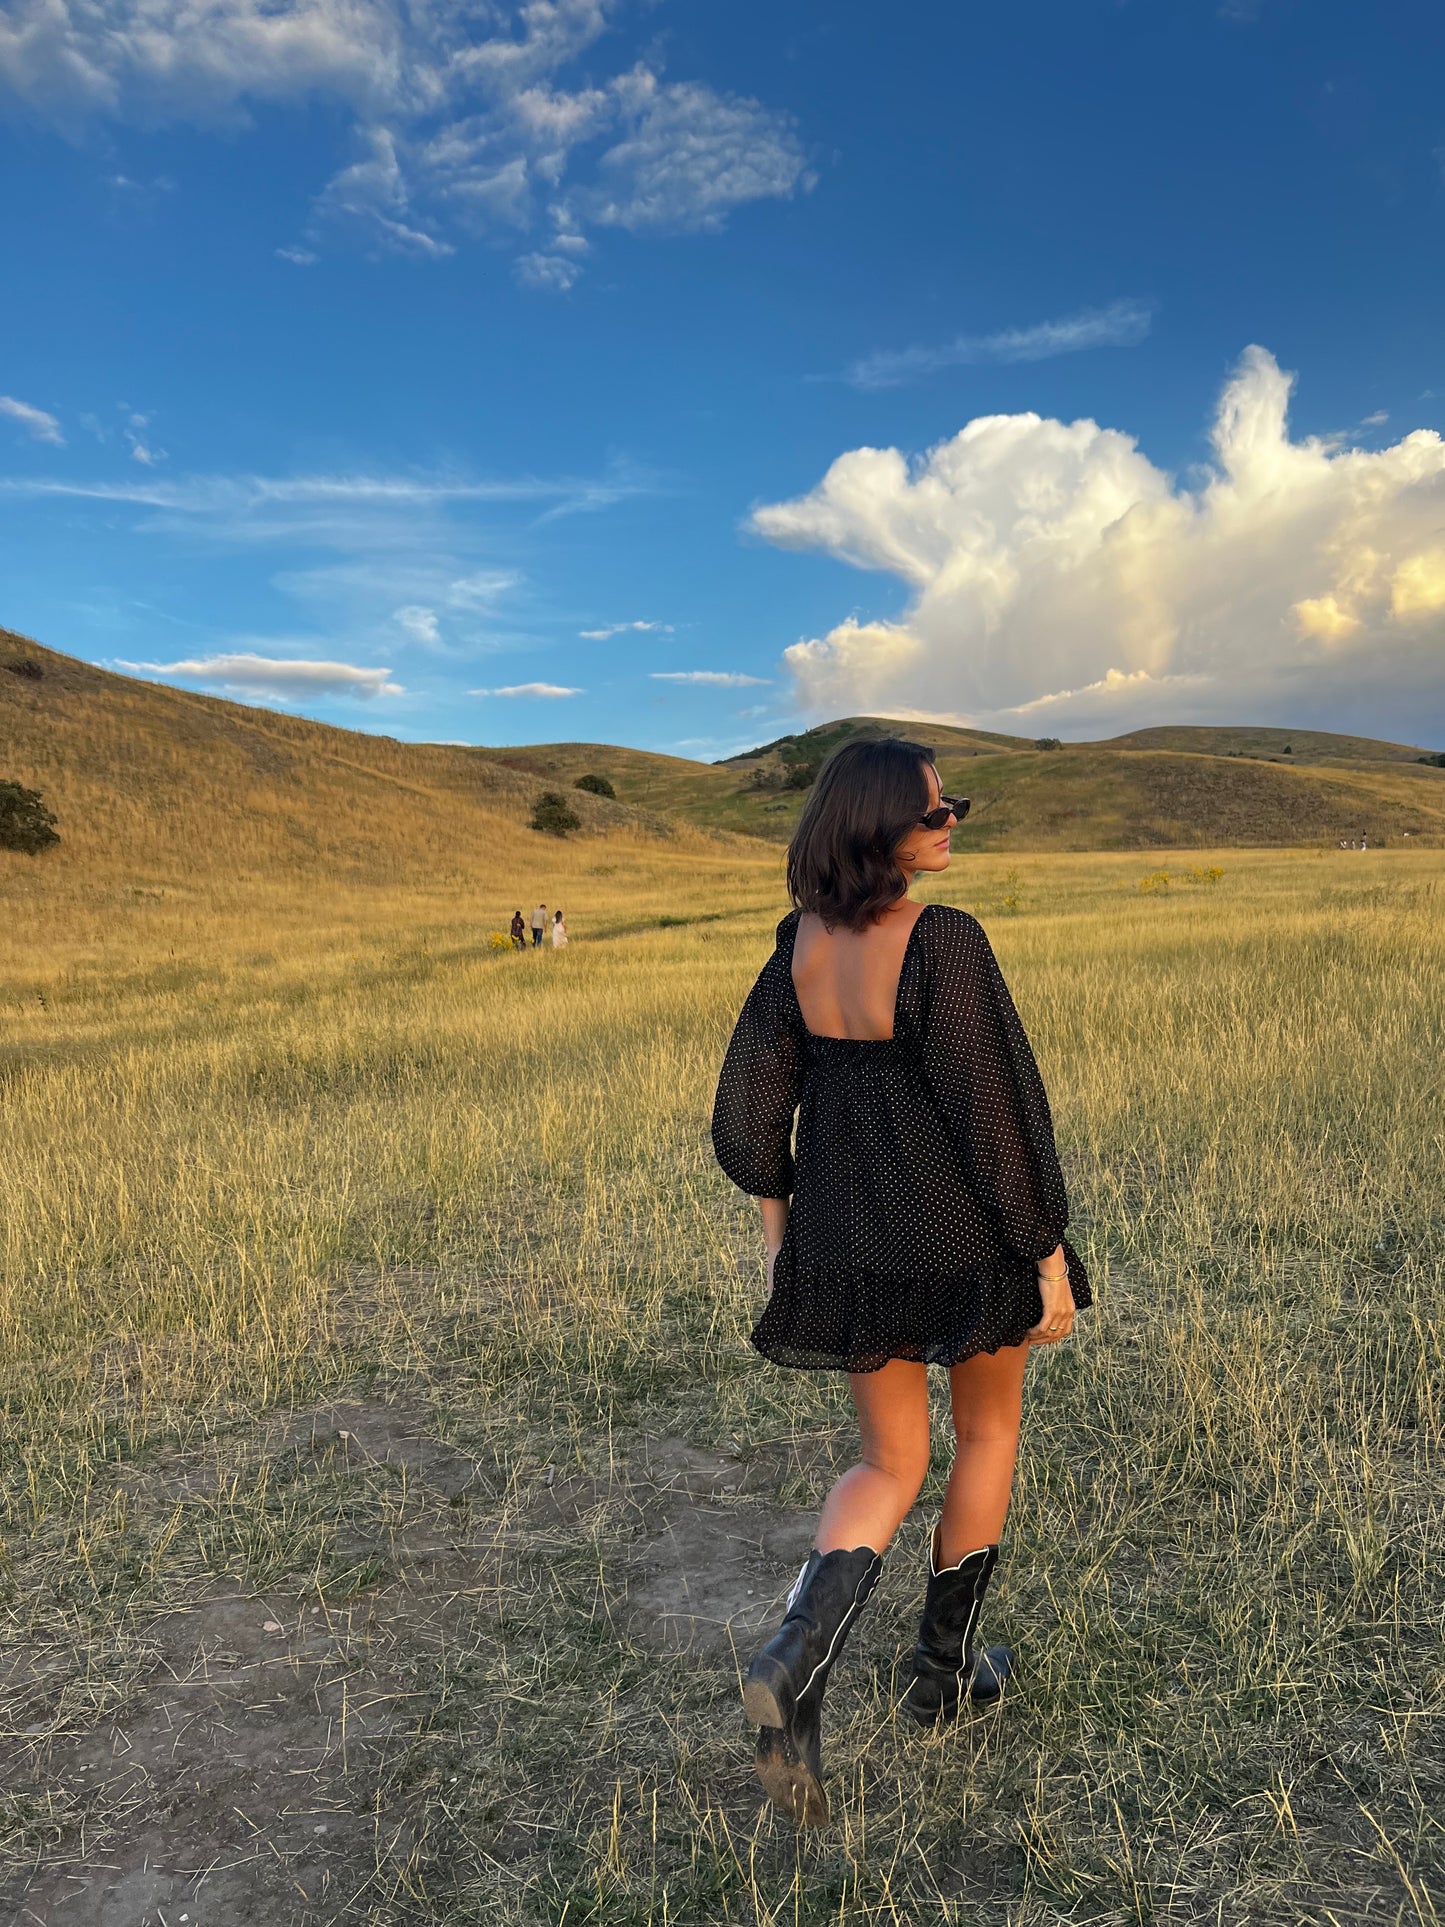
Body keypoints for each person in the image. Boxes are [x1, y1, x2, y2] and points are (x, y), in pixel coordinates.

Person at [711, 737, 1090, 1829]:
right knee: (986, 1435)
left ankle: (793, 1657)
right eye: (932, 810)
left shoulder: (797, 943)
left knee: (886, 1459)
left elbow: (749, 1115)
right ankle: (941, 1672)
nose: (950, 821)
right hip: (957, 1235)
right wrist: (1044, 1252)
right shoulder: (942, 939)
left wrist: (782, 1239)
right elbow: (995, 1112)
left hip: (844, 1236)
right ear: (876, 825)